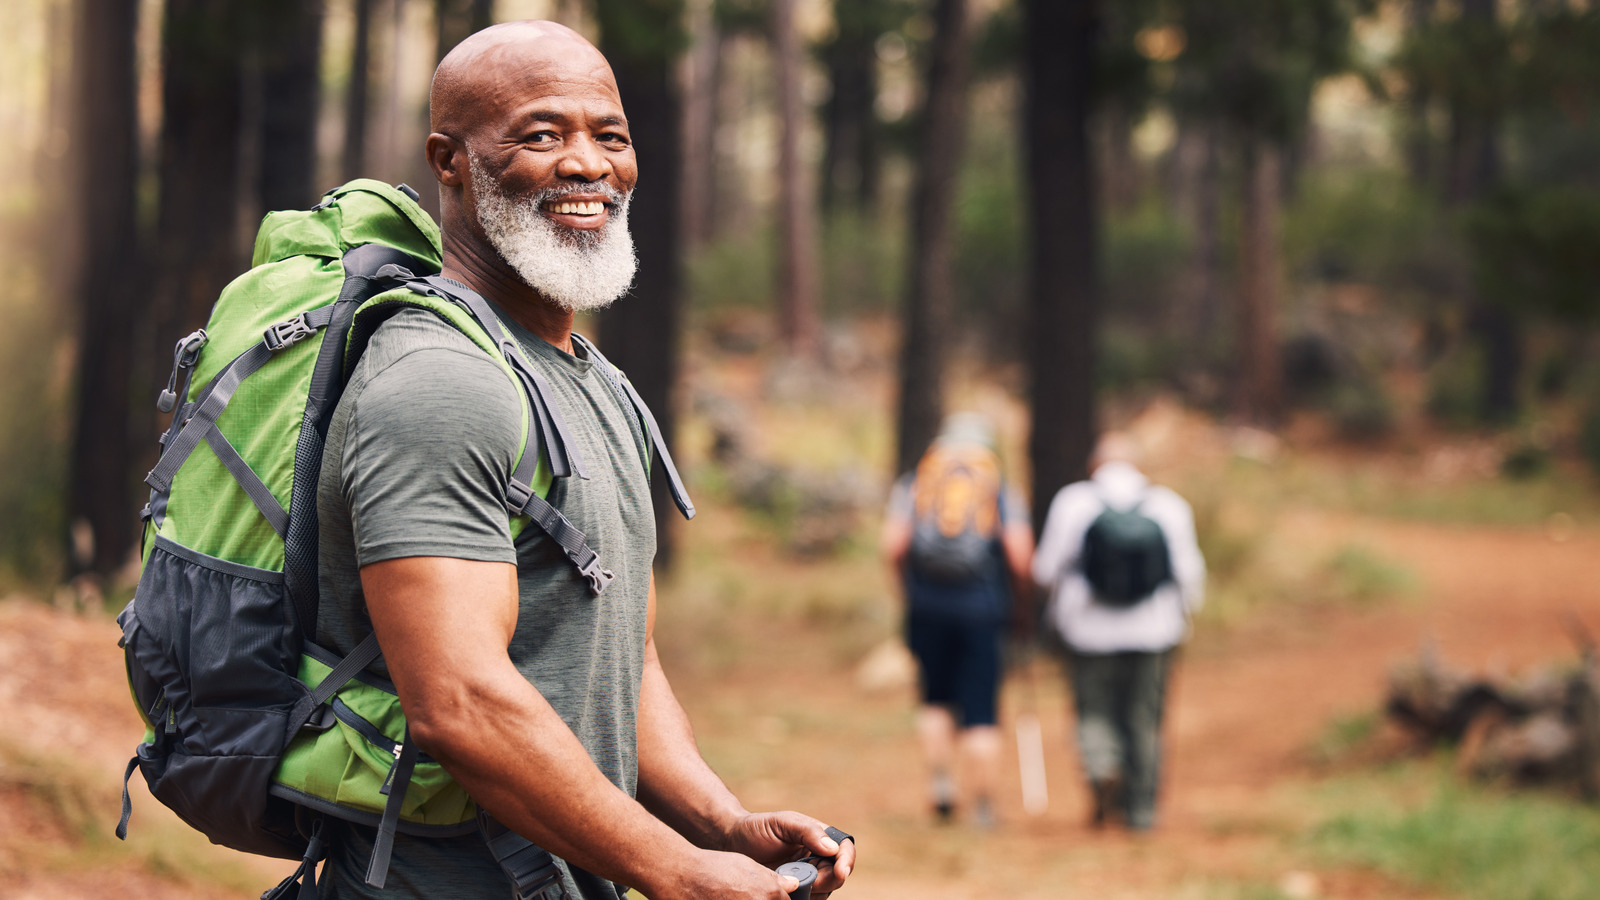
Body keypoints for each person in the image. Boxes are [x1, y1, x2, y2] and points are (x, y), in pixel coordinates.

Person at [313, 21, 855, 900]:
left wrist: (722, 825)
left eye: (610, 135)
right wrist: (675, 872)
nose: (586, 164)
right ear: (449, 161)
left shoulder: (590, 380)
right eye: (541, 135)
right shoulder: (438, 383)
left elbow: (614, 655)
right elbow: (459, 702)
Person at [1032, 432, 1204, 832]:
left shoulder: (1073, 502)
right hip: (1155, 632)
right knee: (1145, 719)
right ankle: (1142, 811)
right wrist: (1182, 620)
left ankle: (1102, 767)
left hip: (1087, 632)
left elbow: (1045, 570)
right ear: (1139, 466)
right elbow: (1189, 574)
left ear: (1095, 466)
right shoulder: (1168, 505)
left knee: (1093, 711)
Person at [880, 414, 1034, 828]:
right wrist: (1021, 604)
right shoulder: (997, 485)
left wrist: (908, 593)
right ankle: (983, 807)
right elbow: (1020, 555)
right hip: (982, 610)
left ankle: (941, 787)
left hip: (927, 607)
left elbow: (893, 546)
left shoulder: (917, 481)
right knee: (980, 711)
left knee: (934, 699)